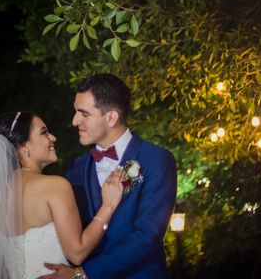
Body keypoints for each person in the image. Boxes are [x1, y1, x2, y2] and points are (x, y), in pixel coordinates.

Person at [0, 111, 124, 279]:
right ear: (24, 146)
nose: (53, 138)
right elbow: (77, 252)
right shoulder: (55, 186)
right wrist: (107, 207)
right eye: (44, 133)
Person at [38, 73, 177, 279]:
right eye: (75, 112)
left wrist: (83, 274)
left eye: (84, 114)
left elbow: (148, 236)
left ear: (111, 117)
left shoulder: (156, 160)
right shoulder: (76, 168)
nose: (75, 121)